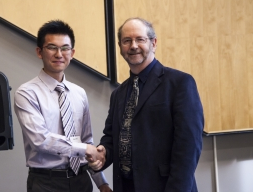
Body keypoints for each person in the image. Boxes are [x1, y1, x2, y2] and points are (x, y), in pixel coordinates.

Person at [87, 17, 204, 192]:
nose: (133, 46)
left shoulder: (180, 83)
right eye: (127, 41)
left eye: (140, 39)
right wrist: (103, 153)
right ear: (120, 47)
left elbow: (189, 147)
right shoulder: (118, 94)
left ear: (153, 43)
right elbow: (112, 138)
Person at [14, 20, 112, 192]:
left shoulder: (79, 93)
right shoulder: (26, 93)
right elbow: (40, 140)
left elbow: (86, 142)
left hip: (81, 181)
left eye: (65, 48)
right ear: (39, 52)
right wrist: (85, 148)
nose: (59, 54)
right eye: (52, 47)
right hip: (46, 183)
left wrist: (102, 183)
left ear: (72, 53)